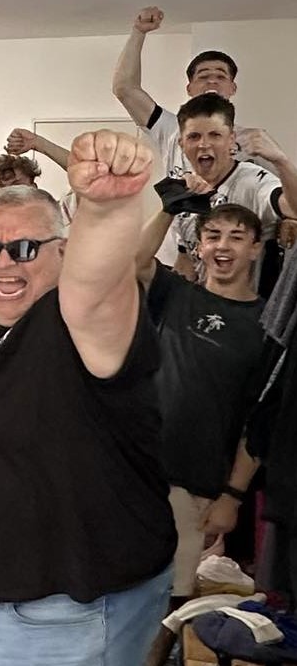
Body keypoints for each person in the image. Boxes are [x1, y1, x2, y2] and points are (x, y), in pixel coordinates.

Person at [0, 131, 177, 665]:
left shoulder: (71, 325)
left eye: (24, 249)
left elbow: (96, 289)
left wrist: (106, 207)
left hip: (57, 621)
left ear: (64, 252)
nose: (3, 264)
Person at [133, 204, 268, 664]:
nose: (222, 247)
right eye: (213, 236)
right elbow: (135, 261)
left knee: (172, 601)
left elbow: (258, 423)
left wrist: (232, 496)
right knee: (119, 584)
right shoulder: (175, 293)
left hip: (198, 484)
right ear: (200, 246)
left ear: (255, 248)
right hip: (137, 469)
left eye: (236, 237)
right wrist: (167, 210)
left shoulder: (266, 326)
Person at [168, 93, 297, 292]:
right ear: (181, 144)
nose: (204, 144)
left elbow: (293, 208)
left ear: (231, 140)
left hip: (249, 306)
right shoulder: (185, 190)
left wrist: (281, 161)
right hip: (203, 303)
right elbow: (187, 260)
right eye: (194, 136)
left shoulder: (254, 182)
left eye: (215, 135)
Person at [112, 6, 242, 179]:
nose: (212, 81)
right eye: (203, 76)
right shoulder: (171, 128)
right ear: (189, 89)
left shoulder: (251, 141)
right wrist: (138, 32)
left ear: (233, 88)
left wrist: (274, 157)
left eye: (220, 76)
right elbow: (124, 88)